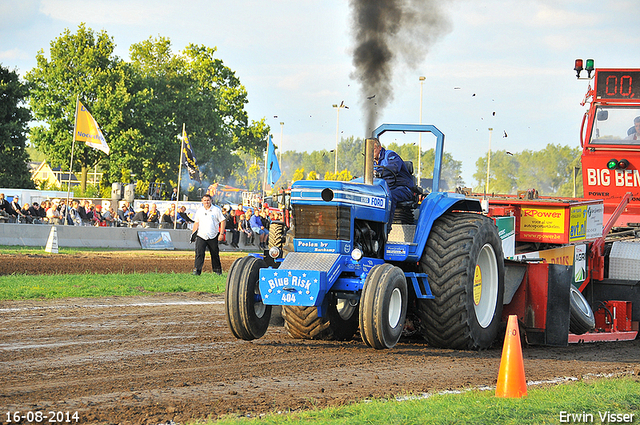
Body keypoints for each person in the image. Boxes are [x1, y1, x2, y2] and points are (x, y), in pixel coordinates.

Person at [373, 138, 415, 221]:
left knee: (389, 195)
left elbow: (393, 168)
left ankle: (385, 229)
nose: (371, 152)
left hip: (402, 188)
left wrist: (378, 173)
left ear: (379, 147)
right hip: (385, 188)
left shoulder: (390, 155)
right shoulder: (372, 163)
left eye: (373, 149)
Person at [191, 194, 226, 275]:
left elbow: (223, 221)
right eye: (205, 200)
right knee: (199, 254)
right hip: (201, 235)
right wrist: (193, 234)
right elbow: (196, 223)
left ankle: (217, 271)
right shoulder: (199, 211)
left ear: (211, 201)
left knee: (214, 254)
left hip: (213, 235)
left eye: (208, 200)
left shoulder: (216, 210)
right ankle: (197, 270)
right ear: (202, 201)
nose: (206, 202)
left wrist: (221, 234)